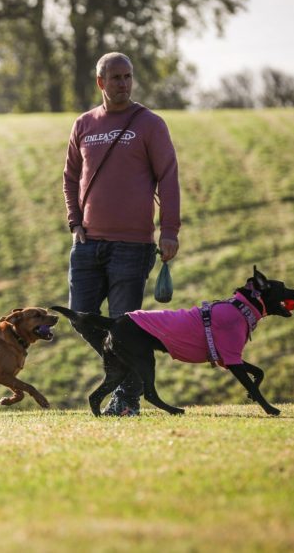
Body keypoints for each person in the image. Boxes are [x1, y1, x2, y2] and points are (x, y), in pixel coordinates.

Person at [62, 52, 181, 416]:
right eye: (115, 77)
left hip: (133, 245)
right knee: (80, 315)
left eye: (128, 76)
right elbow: (69, 178)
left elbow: (169, 177)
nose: (123, 84)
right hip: (87, 243)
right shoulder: (84, 124)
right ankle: (132, 374)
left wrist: (170, 231)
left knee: (124, 321)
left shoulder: (150, 124)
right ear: (100, 82)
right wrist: (75, 223)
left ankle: (127, 400)